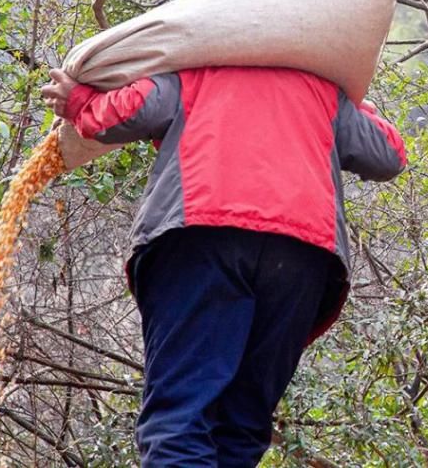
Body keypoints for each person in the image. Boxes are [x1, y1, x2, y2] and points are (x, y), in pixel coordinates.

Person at [41, 65, 407, 467]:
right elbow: (388, 155)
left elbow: (122, 113)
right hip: (301, 258)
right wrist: (364, 108)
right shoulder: (323, 90)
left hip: (200, 238)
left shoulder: (194, 70)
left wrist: (77, 100)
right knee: (243, 425)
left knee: (179, 419)